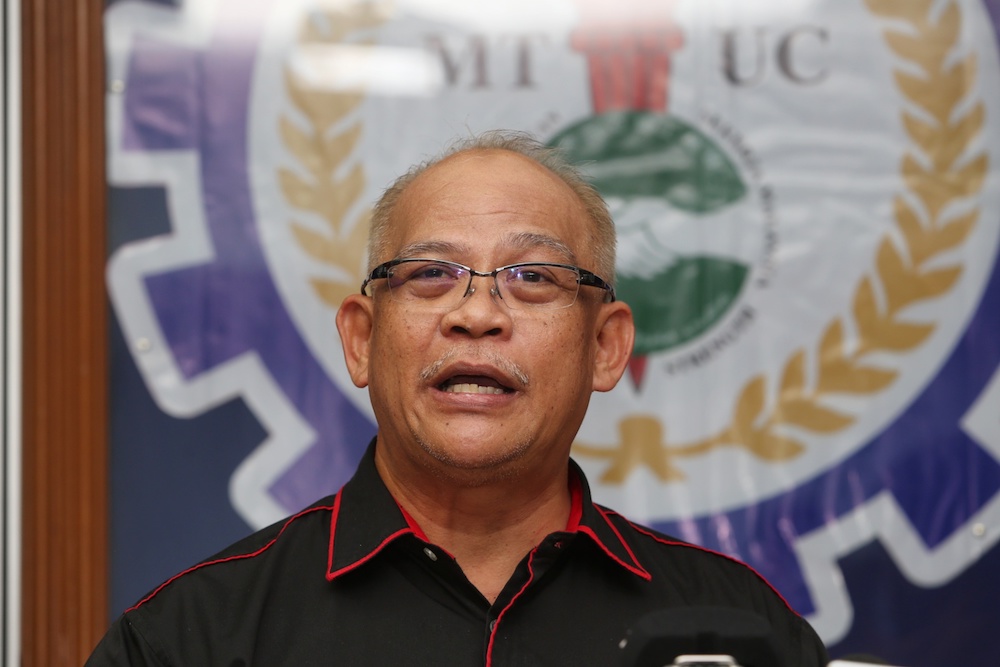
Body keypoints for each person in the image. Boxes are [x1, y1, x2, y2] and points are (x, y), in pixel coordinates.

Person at [87, 131, 830, 666]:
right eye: (430, 273)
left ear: (606, 346)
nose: (476, 314)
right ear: (360, 338)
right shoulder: (190, 638)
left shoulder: (741, 633)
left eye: (533, 277)